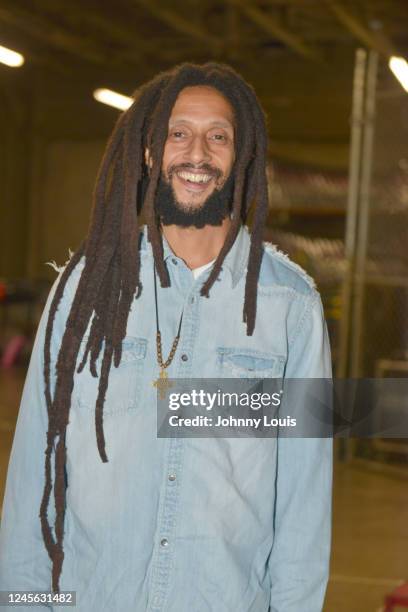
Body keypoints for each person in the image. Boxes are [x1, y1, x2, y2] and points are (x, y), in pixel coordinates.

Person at [0, 62, 332, 611]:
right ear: (151, 152)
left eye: (217, 136)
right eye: (178, 133)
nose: (196, 153)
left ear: (241, 154)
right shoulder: (83, 291)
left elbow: (303, 503)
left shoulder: (290, 306)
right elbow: (35, 476)